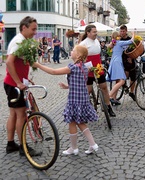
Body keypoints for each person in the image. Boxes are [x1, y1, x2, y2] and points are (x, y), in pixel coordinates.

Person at [33, 45, 99, 155]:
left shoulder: (72, 68)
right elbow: (80, 83)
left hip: (74, 100)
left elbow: (54, 72)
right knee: (80, 122)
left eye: (73, 50)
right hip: (83, 100)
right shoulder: (84, 67)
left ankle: (74, 148)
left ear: (78, 55)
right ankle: (92, 144)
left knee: (72, 122)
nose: (71, 51)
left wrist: (38, 65)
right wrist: (68, 86)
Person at [3, 16, 38, 156]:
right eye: (33, 29)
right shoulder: (19, 41)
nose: (35, 32)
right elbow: (9, 62)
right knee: (21, 115)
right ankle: (23, 147)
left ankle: (11, 144)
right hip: (14, 85)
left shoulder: (22, 40)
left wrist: (26, 79)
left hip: (13, 83)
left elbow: (19, 63)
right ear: (24, 27)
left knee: (13, 114)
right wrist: (18, 82)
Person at [79, 24, 115, 117]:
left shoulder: (97, 41)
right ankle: (84, 110)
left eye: (96, 31)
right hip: (88, 68)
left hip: (98, 67)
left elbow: (100, 54)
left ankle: (108, 106)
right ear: (88, 33)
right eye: (94, 32)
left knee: (104, 87)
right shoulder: (83, 44)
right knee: (88, 90)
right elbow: (78, 58)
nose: (96, 33)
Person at [106, 31, 135, 104]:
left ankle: (114, 98)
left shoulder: (114, 44)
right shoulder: (119, 42)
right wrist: (133, 34)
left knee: (118, 81)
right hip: (117, 62)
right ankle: (109, 96)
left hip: (113, 61)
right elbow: (131, 41)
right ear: (117, 37)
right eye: (119, 36)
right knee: (122, 81)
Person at [120, 24, 136, 101]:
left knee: (133, 77)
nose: (122, 32)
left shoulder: (130, 39)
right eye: (121, 31)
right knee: (125, 74)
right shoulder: (119, 40)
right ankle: (124, 85)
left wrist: (132, 57)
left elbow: (134, 49)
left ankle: (132, 92)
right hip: (122, 60)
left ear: (126, 31)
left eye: (123, 31)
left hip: (131, 59)